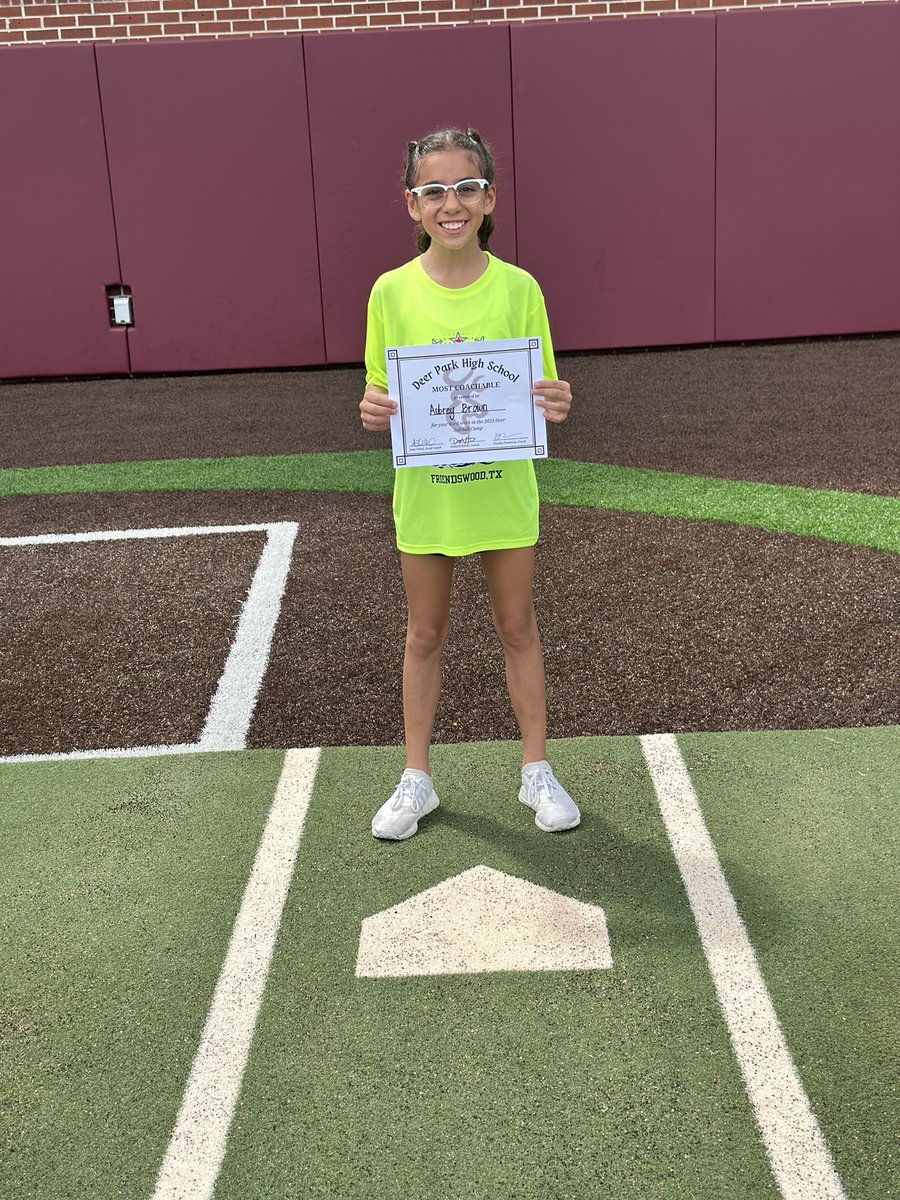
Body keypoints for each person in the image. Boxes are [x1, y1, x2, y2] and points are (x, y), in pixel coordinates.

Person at [359, 127, 579, 841]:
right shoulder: (390, 292)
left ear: (489, 197)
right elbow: (379, 391)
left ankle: (536, 770)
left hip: (501, 490)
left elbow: (539, 387)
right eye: (433, 192)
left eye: (465, 188)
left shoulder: (521, 289)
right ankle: (416, 778)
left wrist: (557, 402)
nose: (450, 204)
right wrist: (372, 408)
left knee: (518, 627)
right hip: (428, 495)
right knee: (425, 632)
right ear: (411, 205)